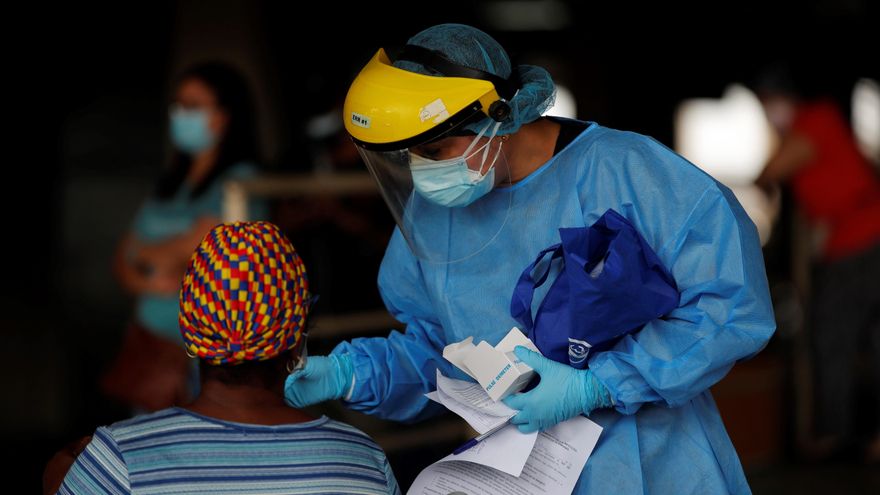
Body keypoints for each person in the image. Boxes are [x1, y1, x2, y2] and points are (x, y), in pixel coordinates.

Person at [285, 24, 776, 493]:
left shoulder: (625, 171)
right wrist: (348, 375)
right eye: (411, 155)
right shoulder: (435, 215)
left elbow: (730, 309)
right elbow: (439, 355)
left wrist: (599, 386)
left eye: (435, 149)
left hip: (654, 466)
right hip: (515, 476)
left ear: (498, 117)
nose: (424, 170)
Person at [54, 222, 400, 494]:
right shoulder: (363, 462)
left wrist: (66, 465)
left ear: (190, 331)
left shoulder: (117, 459)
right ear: (297, 339)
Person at [105, 62, 269, 411]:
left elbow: (197, 246)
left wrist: (146, 254)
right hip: (151, 348)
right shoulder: (170, 181)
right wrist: (151, 281)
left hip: (204, 354)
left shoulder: (241, 181)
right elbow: (122, 256)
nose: (180, 114)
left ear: (224, 115)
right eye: (178, 105)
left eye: (193, 106)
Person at [754, 71, 880, 462]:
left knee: (833, 336)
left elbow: (773, 171)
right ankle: (851, 433)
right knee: (863, 339)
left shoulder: (816, 120)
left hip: (862, 241)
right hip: (849, 244)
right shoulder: (806, 129)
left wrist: (764, 182)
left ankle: (833, 433)